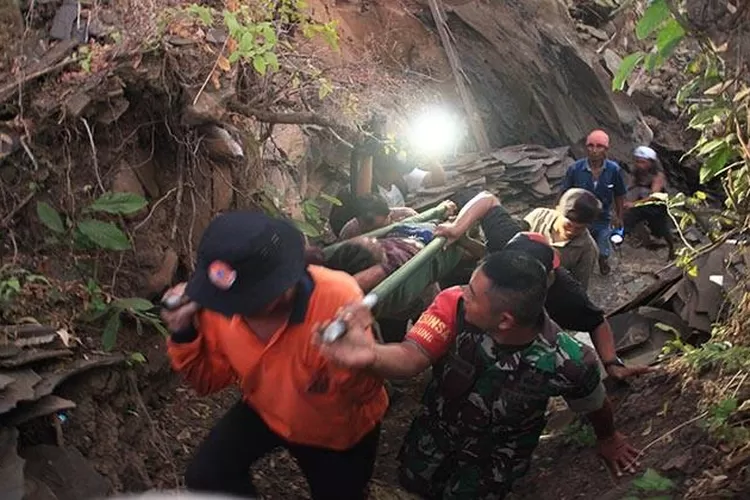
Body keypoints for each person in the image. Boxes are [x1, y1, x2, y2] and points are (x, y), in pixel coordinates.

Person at [315, 250, 640, 499]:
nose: (462, 293)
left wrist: (608, 438)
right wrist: (371, 354)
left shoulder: (569, 361)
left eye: (473, 293)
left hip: (490, 468)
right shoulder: (453, 304)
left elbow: (595, 404)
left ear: (505, 321)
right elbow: (411, 356)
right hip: (431, 444)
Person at [161, 211, 387, 500]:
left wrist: (351, 362)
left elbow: (364, 391)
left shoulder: (337, 298)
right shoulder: (221, 305)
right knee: (206, 476)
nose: (234, 312)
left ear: (283, 287)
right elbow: (207, 381)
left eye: (247, 302)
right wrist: (183, 333)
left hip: (337, 430)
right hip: (266, 406)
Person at [435, 190, 654, 381]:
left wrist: (612, 364)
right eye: (570, 222)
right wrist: (457, 229)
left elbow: (595, 319)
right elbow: (486, 199)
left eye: (580, 227)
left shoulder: (562, 286)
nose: (573, 228)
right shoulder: (510, 238)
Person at [562, 129, 627, 276]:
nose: (594, 150)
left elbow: (619, 194)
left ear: (606, 149)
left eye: (599, 146)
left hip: (603, 218)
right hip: (580, 218)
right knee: (577, 248)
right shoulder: (575, 169)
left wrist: (619, 216)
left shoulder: (613, 170)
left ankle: (603, 262)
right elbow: (565, 192)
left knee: (603, 250)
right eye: (590, 146)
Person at [524, 188, 601, 289]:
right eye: (568, 225)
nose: (572, 232)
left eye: (580, 228)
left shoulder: (588, 250)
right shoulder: (537, 217)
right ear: (557, 210)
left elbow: (578, 286)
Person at [624, 146, 675, 260]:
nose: (639, 165)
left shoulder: (658, 176)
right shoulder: (636, 172)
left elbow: (654, 197)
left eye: (643, 162)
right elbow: (631, 187)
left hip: (656, 207)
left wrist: (634, 204)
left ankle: (672, 249)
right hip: (640, 204)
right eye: (637, 161)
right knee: (628, 218)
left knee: (661, 229)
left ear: (651, 163)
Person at [338, 193, 418, 240]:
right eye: (366, 231)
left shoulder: (407, 216)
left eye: (378, 228)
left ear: (389, 215)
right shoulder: (350, 231)